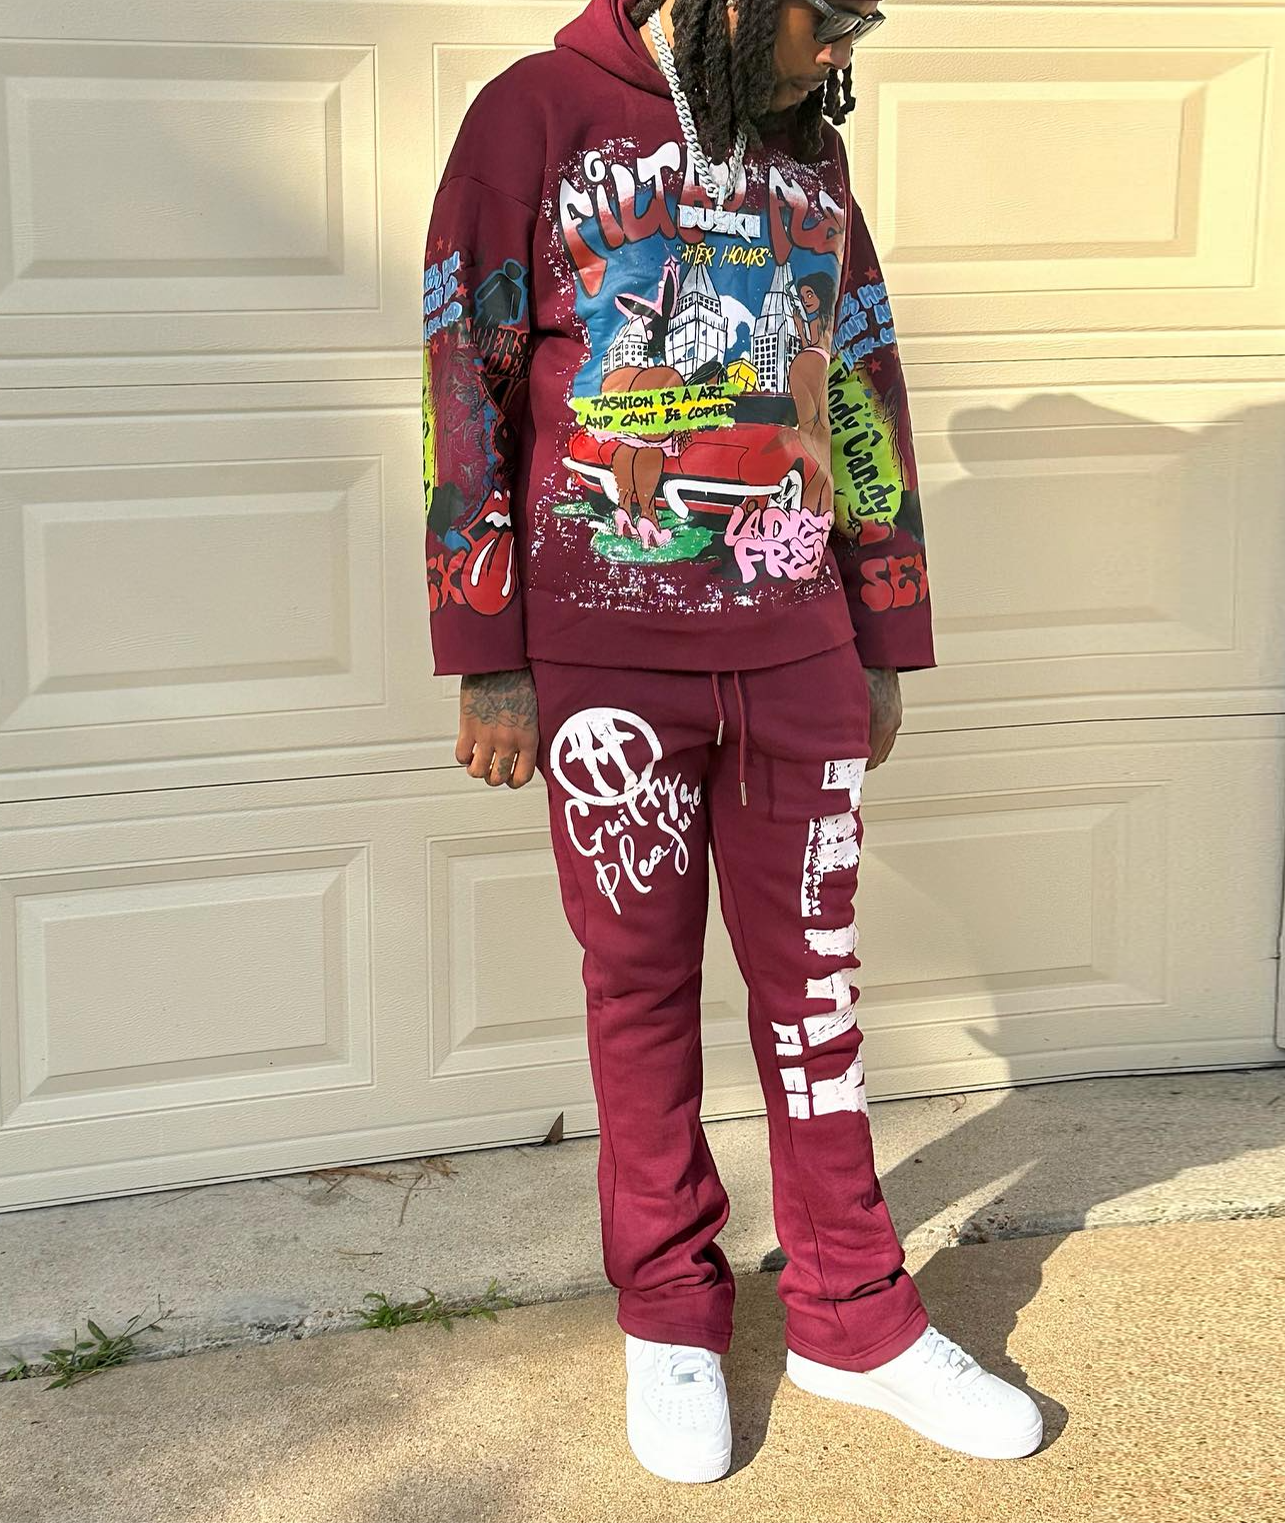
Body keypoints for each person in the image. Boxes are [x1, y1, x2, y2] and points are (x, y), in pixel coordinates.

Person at [421, 0, 1043, 1483]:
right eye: (831, 11)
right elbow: (464, 376)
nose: (845, 46)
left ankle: (853, 1315)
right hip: (605, 656)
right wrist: (483, 649)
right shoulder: (533, 116)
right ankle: (669, 1310)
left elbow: (859, 376)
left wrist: (883, 624)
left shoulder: (805, 151)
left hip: (797, 644)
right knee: (638, 992)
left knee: (814, 994)